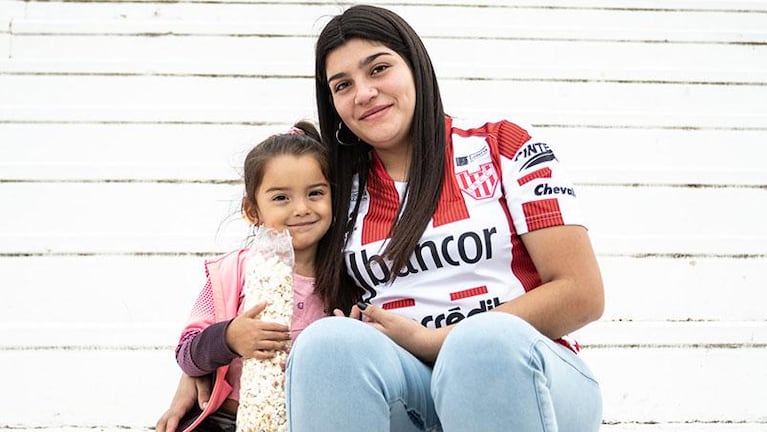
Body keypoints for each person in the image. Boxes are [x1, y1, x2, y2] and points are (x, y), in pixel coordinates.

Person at [159, 4, 605, 431]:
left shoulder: (502, 145)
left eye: (378, 68)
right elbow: (269, 264)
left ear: (414, 64)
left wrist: (441, 339)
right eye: (342, 85)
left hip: (528, 373)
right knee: (327, 344)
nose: (365, 93)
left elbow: (582, 293)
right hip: (402, 385)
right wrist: (208, 361)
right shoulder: (335, 186)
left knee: (482, 345)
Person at [161, 121, 333, 432]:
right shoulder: (233, 271)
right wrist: (228, 337)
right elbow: (187, 353)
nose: (301, 208)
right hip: (225, 420)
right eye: (281, 198)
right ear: (252, 210)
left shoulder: (341, 279)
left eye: (315, 193)